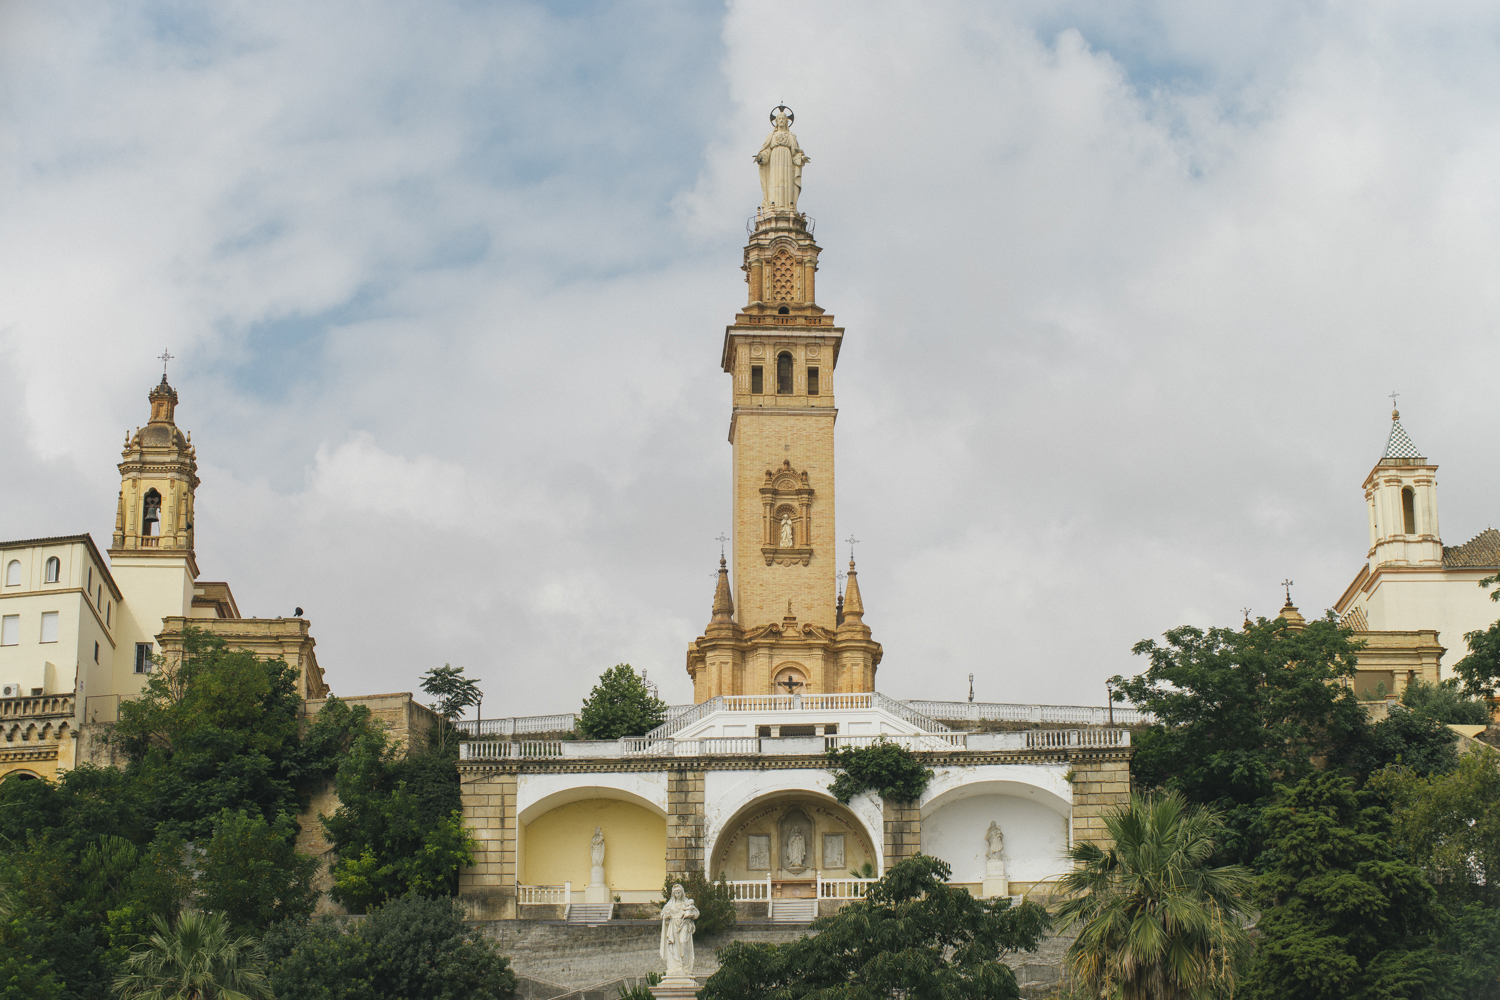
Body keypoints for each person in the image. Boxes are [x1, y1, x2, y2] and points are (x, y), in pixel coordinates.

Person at [659, 883, 700, 977]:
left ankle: (686, 966)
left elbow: (696, 913)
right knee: (674, 946)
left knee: (683, 942)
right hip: (673, 925)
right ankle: (676, 967)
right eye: (676, 893)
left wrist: (691, 915)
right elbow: (663, 914)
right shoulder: (670, 904)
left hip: (684, 924)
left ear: (682, 892)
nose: (677, 894)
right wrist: (666, 916)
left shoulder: (687, 902)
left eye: (679, 892)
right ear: (673, 894)